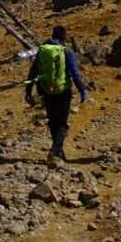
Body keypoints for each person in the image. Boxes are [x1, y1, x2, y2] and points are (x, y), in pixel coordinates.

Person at [25, 25, 88, 160]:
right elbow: (75, 73)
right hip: (63, 90)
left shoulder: (42, 51)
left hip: (47, 90)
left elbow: (33, 72)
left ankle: (58, 152)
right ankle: (55, 150)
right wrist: (82, 90)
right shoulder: (67, 51)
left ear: (52, 35)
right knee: (62, 123)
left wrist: (28, 91)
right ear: (64, 37)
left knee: (53, 121)